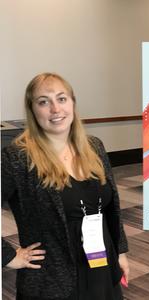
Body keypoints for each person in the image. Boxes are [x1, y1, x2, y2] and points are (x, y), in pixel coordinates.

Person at [1, 73, 130, 299]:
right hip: (53, 278)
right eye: (43, 102)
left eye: (61, 99)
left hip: (101, 263)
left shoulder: (94, 146)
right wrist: (7, 256)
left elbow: (111, 209)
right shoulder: (17, 158)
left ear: (73, 103)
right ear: (32, 110)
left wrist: (120, 253)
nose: (55, 109)